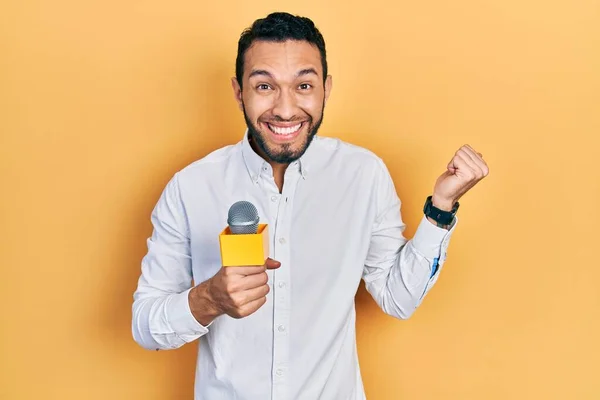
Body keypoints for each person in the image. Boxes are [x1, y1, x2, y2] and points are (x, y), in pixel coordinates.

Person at [131, 11, 489, 400]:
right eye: (265, 86)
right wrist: (209, 299)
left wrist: (441, 208)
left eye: (303, 85)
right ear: (238, 92)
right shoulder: (190, 187)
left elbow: (398, 298)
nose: (285, 110)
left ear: (325, 89)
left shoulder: (363, 175)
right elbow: (145, 326)